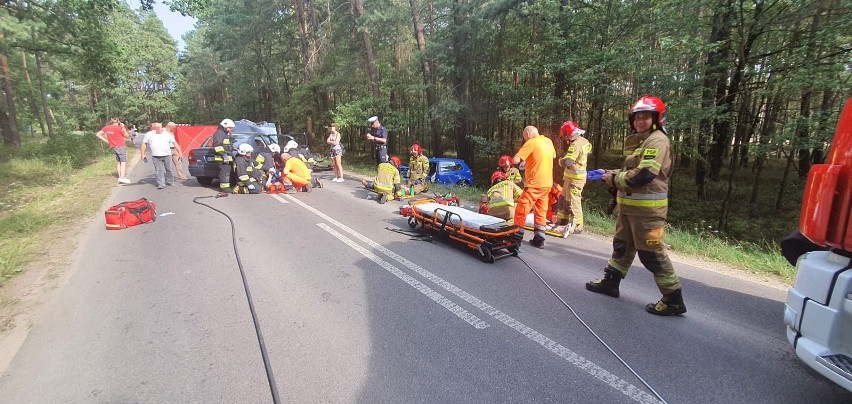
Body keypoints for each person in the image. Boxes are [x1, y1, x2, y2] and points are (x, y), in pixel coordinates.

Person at [586, 95, 686, 316]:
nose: (640, 121)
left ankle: (673, 299)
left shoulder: (657, 140)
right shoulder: (642, 140)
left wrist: (613, 179)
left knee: (652, 253)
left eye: (645, 117)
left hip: (649, 214)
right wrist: (610, 174)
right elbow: (632, 171)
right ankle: (611, 283)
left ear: (656, 118)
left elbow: (643, 175)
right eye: (637, 117)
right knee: (622, 246)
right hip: (630, 210)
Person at [511, 126, 556, 248]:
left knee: (521, 210)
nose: (525, 140)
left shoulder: (532, 142)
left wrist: (515, 160)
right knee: (541, 211)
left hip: (534, 183)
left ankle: (516, 239)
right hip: (547, 184)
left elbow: (516, 160)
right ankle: (539, 239)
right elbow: (550, 157)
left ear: (528, 134)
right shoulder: (548, 141)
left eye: (525, 137)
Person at [550, 121, 592, 236]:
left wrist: (560, 161)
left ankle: (578, 225)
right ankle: (562, 220)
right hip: (571, 178)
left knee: (574, 201)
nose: (565, 138)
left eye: (565, 135)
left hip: (576, 179)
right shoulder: (584, 141)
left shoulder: (575, 145)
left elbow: (568, 161)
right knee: (563, 199)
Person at [139, 122, 177, 189]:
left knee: (169, 169)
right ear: (153, 128)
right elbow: (144, 144)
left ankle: (170, 181)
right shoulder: (148, 134)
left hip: (167, 155)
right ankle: (161, 184)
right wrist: (142, 154)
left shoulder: (167, 134)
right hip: (155, 156)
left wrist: (180, 152)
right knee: (159, 170)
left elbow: (175, 143)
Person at [95, 117, 131, 184]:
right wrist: (123, 127)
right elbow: (127, 136)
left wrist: (107, 141)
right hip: (121, 146)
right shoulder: (119, 128)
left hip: (114, 146)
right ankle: (122, 178)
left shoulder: (107, 127)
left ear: (111, 121)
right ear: (118, 121)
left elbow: (98, 134)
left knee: (118, 162)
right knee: (123, 162)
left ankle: (120, 177)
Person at [212, 119, 236, 192]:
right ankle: (224, 189)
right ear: (225, 126)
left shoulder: (225, 134)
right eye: (230, 128)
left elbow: (227, 146)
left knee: (227, 172)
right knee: (224, 173)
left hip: (226, 158)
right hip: (221, 158)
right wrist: (223, 155)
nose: (231, 129)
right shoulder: (219, 133)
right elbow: (217, 146)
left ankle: (226, 187)